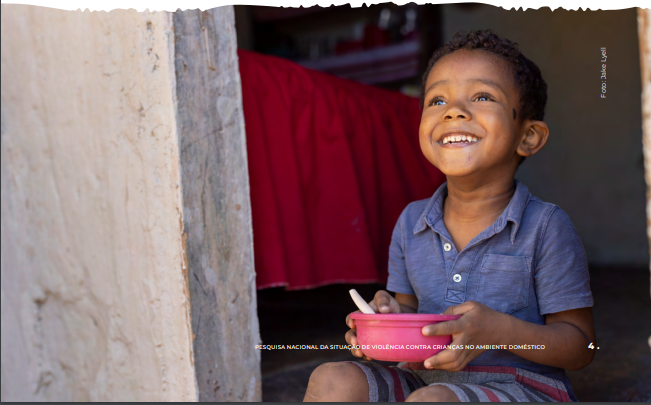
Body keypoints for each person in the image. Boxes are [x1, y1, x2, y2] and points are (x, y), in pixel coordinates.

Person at [303, 30, 595, 402]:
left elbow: (582, 349)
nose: (453, 110)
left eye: (483, 96)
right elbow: (408, 309)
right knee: (332, 379)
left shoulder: (547, 227)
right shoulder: (411, 222)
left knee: (434, 401)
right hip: (423, 378)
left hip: (520, 386)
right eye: (437, 99)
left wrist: (499, 331)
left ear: (529, 136)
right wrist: (385, 320)